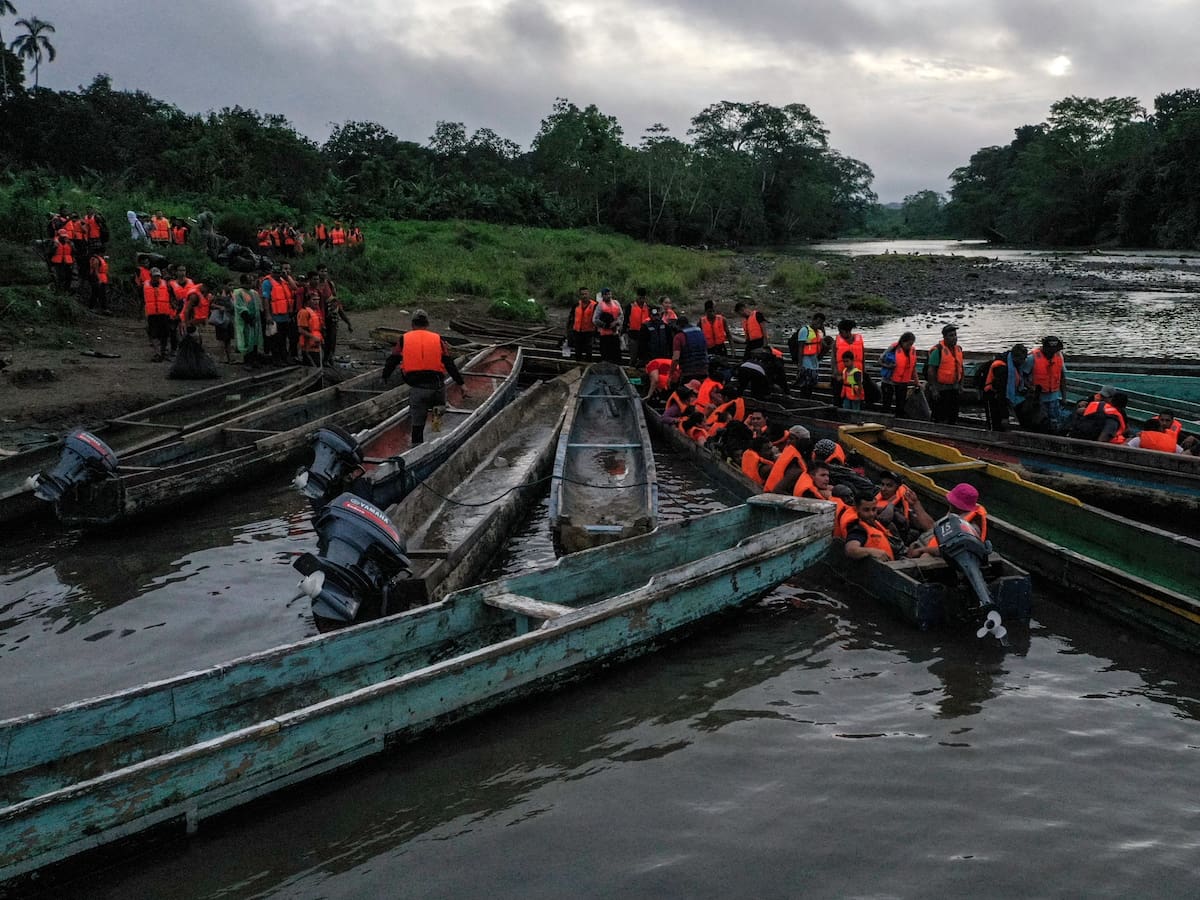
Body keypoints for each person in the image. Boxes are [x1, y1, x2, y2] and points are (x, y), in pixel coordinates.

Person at [382, 309, 466, 444]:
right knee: (439, 404)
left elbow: (392, 360)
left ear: (412, 324)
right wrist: (461, 383)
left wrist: (385, 376)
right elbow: (449, 364)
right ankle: (439, 412)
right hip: (437, 387)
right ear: (427, 324)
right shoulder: (437, 339)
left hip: (418, 388)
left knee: (417, 424)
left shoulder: (404, 339)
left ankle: (417, 446)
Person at [908, 482, 987, 558]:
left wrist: (922, 550)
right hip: (924, 546)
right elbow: (933, 528)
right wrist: (915, 504)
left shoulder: (969, 528)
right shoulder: (955, 514)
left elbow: (950, 549)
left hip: (941, 558)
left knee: (925, 556)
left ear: (955, 505)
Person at [982, 343, 1028, 431]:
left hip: (1001, 393)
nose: (1024, 361)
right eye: (1022, 359)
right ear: (1015, 357)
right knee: (994, 423)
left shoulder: (1015, 365)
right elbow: (1001, 394)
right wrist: (1005, 416)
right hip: (992, 395)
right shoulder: (1002, 369)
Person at [925, 324, 964, 425]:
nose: (954, 338)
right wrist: (934, 389)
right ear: (945, 337)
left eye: (955, 335)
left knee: (953, 414)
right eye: (951, 335)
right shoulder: (938, 350)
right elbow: (931, 370)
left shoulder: (958, 349)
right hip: (941, 388)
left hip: (954, 387)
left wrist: (961, 384)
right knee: (939, 415)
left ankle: (952, 426)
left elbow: (961, 367)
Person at [315, 264, 352, 365]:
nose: (324, 273)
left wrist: (347, 321)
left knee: (332, 338)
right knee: (323, 338)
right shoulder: (315, 285)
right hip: (320, 315)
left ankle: (330, 357)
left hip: (331, 314)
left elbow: (335, 300)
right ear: (318, 272)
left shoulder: (330, 284)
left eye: (325, 271)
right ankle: (324, 358)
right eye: (322, 271)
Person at [1028, 335, 1067, 429]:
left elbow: (1062, 377)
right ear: (1045, 348)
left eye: (1055, 349)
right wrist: (1030, 388)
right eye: (1050, 350)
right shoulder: (1032, 358)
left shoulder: (1059, 356)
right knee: (1040, 422)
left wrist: (1064, 397)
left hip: (1054, 396)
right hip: (1038, 397)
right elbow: (1022, 376)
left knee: (1055, 421)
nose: (1053, 352)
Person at [843, 495, 896, 561]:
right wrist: (872, 552)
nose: (871, 514)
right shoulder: (858, 529)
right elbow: (850, 549)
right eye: (866, 510)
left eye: (874, 509)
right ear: (856, 509)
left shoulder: (875, 524)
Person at [789, 312, 827, 399]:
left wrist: (823, 330)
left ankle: (808, 398)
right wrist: (800, 364)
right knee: (805, 382)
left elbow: (824, 344)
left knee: (812, 382)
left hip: (814, 360)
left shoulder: (819, 332)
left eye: (821, 323)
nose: (818, 324)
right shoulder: (804, 330)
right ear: (813, 320)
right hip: (805, 360)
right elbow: (800, 348)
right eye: (817, 322)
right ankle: (803, 398)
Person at [764, 425, 810, 494]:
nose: (788, 441)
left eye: (791, 439)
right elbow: (778, 490)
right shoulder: (795, 466)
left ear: (801, 442)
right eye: (788, 438)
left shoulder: (793, 457)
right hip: (773, 496)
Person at [879, 331, 917, 417]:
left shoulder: (912, 351)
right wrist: (888, 366)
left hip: (903, 382)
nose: (909, 346)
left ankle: (899, 418)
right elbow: (880, 360)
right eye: (908, 344)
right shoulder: (893, 348)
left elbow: (913, 368)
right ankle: (885, 418)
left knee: (901, 404)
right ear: (903, 341)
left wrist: (916, 382)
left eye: (911, 344)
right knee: (887, 403)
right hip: (888, 381)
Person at [232, 274, 265, 365]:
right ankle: (247, 361)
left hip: (256, 320)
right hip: (245, 321)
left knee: (255, 341)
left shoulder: (254, 293)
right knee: (246, 341)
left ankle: (254, 359)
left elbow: (259, 306)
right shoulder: (238, 293)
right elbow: (240, 307)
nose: (251, 283)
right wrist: (248, 319)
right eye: (249, 281)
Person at [143, 268, 174, 362]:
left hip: (164, 313)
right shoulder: (145, 285)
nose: (156, 278)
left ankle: (164, 352)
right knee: (153, 334)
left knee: (165, 334)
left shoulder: (166, 285)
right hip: (152, 314)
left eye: (158, 276)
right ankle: (157, 353)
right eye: (155, 276)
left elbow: (172, 297)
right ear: (151, 276)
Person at [831, 319, 865, 404]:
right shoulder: (836, 342)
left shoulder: (859, 341)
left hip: (856, 375)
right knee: (839, 398)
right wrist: (835, 373)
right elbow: (833, 359)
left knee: (857, 397)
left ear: (847, 331)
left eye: (841, 332)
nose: (839, 334)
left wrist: (864, 372)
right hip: (841, 376)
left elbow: (863, 357)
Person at [671, 315, 709, 385]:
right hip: (703, 368)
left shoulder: (679, 336)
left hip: (688, 372)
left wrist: (671, 373)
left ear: (678, 326)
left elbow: (676, 358)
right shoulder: (700, 332)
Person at [593, 287, 623, 363]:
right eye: (606, 294)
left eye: (609, 294)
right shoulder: (600, 305)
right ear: (603, 296)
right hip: (605, 335)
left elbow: (621, 315)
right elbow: (595, 319)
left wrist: (617, 322)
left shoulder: (616, 303)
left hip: (615, 333)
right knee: (606, 356)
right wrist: (606, 325)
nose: (608, 296)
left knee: (617, 356)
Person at [208, 281, 236, 364]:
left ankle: (227, 358)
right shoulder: (220, 298)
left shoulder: (230, 297)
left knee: (226, 340)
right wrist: (220, 307)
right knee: (223, 340)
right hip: (223, 320)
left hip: (227, 320)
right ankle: (223, 358)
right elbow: (212, 305)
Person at [297, 292, 324, 367]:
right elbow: (301, 330)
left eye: (318, 300)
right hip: (308, 347)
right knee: (311, 367)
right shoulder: (304, 312)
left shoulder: (315, 312)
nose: (316, 302)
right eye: (314, 300)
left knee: (318, 365)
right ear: (308, 301)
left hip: (316, 345)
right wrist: (313, 337)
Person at [569, 287, 597, 362]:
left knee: (588, 351)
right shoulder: (576, 305)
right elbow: (571, 318)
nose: (584, 296)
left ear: (589, 294)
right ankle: (578, 364)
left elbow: (597, 319)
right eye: (582, 294)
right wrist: (569, 331)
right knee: (578, 351)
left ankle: (588, 365)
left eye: (586, 294)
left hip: (589, 332)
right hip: (577, 332)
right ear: (580, 295)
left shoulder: (594, 305)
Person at [625, 288, 651, 364]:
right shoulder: (630, 306)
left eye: (643, 298)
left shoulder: (648, 307)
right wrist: (624, 331)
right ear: (637, 296)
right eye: (640, 297)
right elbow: (625, 320)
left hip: (645, 335)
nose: (641, 300)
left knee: (643, 358)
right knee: (633, 356)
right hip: (633, 334)